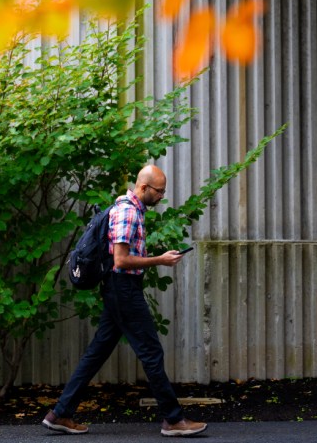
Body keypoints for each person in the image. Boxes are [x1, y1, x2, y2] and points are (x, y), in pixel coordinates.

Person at [42, 165, 207, 437]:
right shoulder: (129, 212)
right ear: (143, 188)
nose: (161, 196)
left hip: (119, 289)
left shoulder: (125, 208)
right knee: (151, 352)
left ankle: (60, 413)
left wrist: (153, 256)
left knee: (97, 353)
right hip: (124, 290)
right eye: (159, 191)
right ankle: (173, 419)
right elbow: (121, 260)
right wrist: (160, 260)